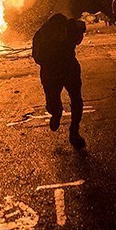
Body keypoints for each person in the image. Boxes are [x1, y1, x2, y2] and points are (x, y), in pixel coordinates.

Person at [32, 13, 87, 150]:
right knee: (73, 101)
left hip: (58, 71)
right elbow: (38, 57)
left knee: (74, 101)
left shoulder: (43, 33)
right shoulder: (44, 35)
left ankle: (71, 129)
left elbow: (37, 58)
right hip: (59, 70)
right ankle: (62, 119)